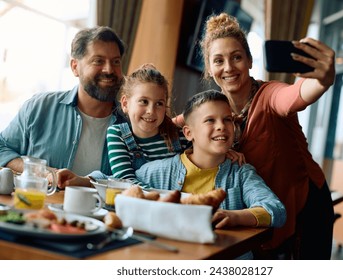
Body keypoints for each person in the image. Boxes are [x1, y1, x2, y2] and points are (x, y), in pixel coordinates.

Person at [175, 13, 335, 259]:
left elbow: (295, 95)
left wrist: (323, 80)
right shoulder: (213, 109)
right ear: (209, 69)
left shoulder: (269, 95)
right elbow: (170, 126)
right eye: (218, 61)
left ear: (249, 61)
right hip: (260, 209)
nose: (228, 67)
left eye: (236, 57)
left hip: (305, 206)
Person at [133, 90, 286, 259]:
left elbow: (276, 210)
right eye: (210, 120)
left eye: (227, 119)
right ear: (189, 133)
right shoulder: (158, 171)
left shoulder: (241, 173)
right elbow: (107, 181)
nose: (221, 126)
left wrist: (235, 217)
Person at [56, 65, 243, 188]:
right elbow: (125, 181)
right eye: (143, 102)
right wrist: (166, 198)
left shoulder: (178, 136)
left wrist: (224, 152)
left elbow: (202, 156)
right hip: (143, 202)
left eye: (159, 103)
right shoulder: (117, 134)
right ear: (126, 103)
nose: (151, 111)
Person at [0, 26, 126, 177]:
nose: (109, 69)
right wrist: (44, 173)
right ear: (75, 67)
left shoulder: (131, 123)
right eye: (98, 61)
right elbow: (2, 148)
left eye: (116, 62)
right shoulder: (39, 107)